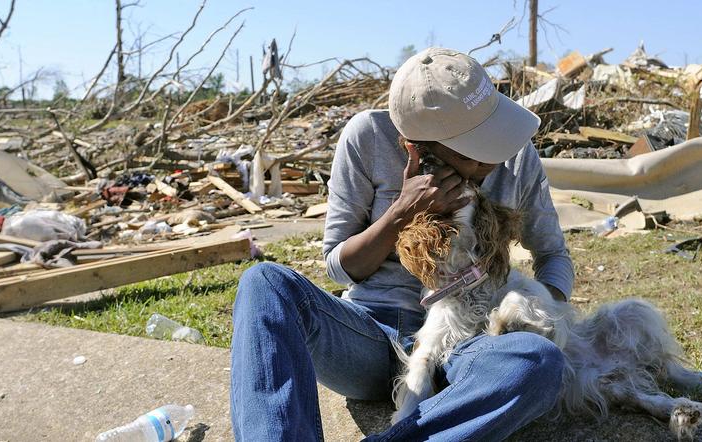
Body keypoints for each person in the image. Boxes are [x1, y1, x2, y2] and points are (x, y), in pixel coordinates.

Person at [230, 47, 574, 441]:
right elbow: (339, 265)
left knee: (539, 362)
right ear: (418, 148)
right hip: (371, 337)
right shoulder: (367, 138)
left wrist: (542, 317)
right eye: (478, 152)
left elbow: (553, 256)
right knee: (264, 283)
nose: (495, 158)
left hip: (473, 339)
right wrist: (400, 213)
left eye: (493, 131)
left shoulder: (515, 157)